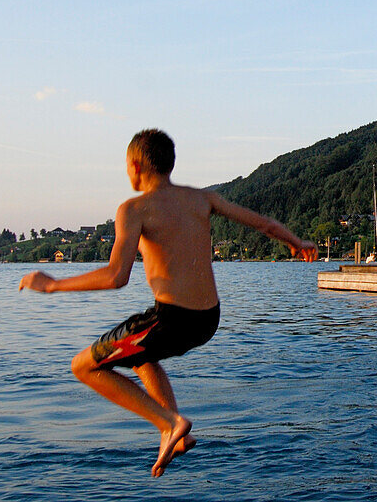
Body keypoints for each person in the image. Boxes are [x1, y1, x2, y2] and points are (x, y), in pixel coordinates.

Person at [18, 129, 318, 477]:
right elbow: (264, 224)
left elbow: (117, 276)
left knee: (83, 367)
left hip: (171, 320)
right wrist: (296, 242)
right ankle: (175, 438)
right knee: (142, 357)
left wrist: (53, 285)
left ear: (134, 165)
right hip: (208, 319)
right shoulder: (203, 199)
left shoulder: (133, 209)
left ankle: (169, 423)